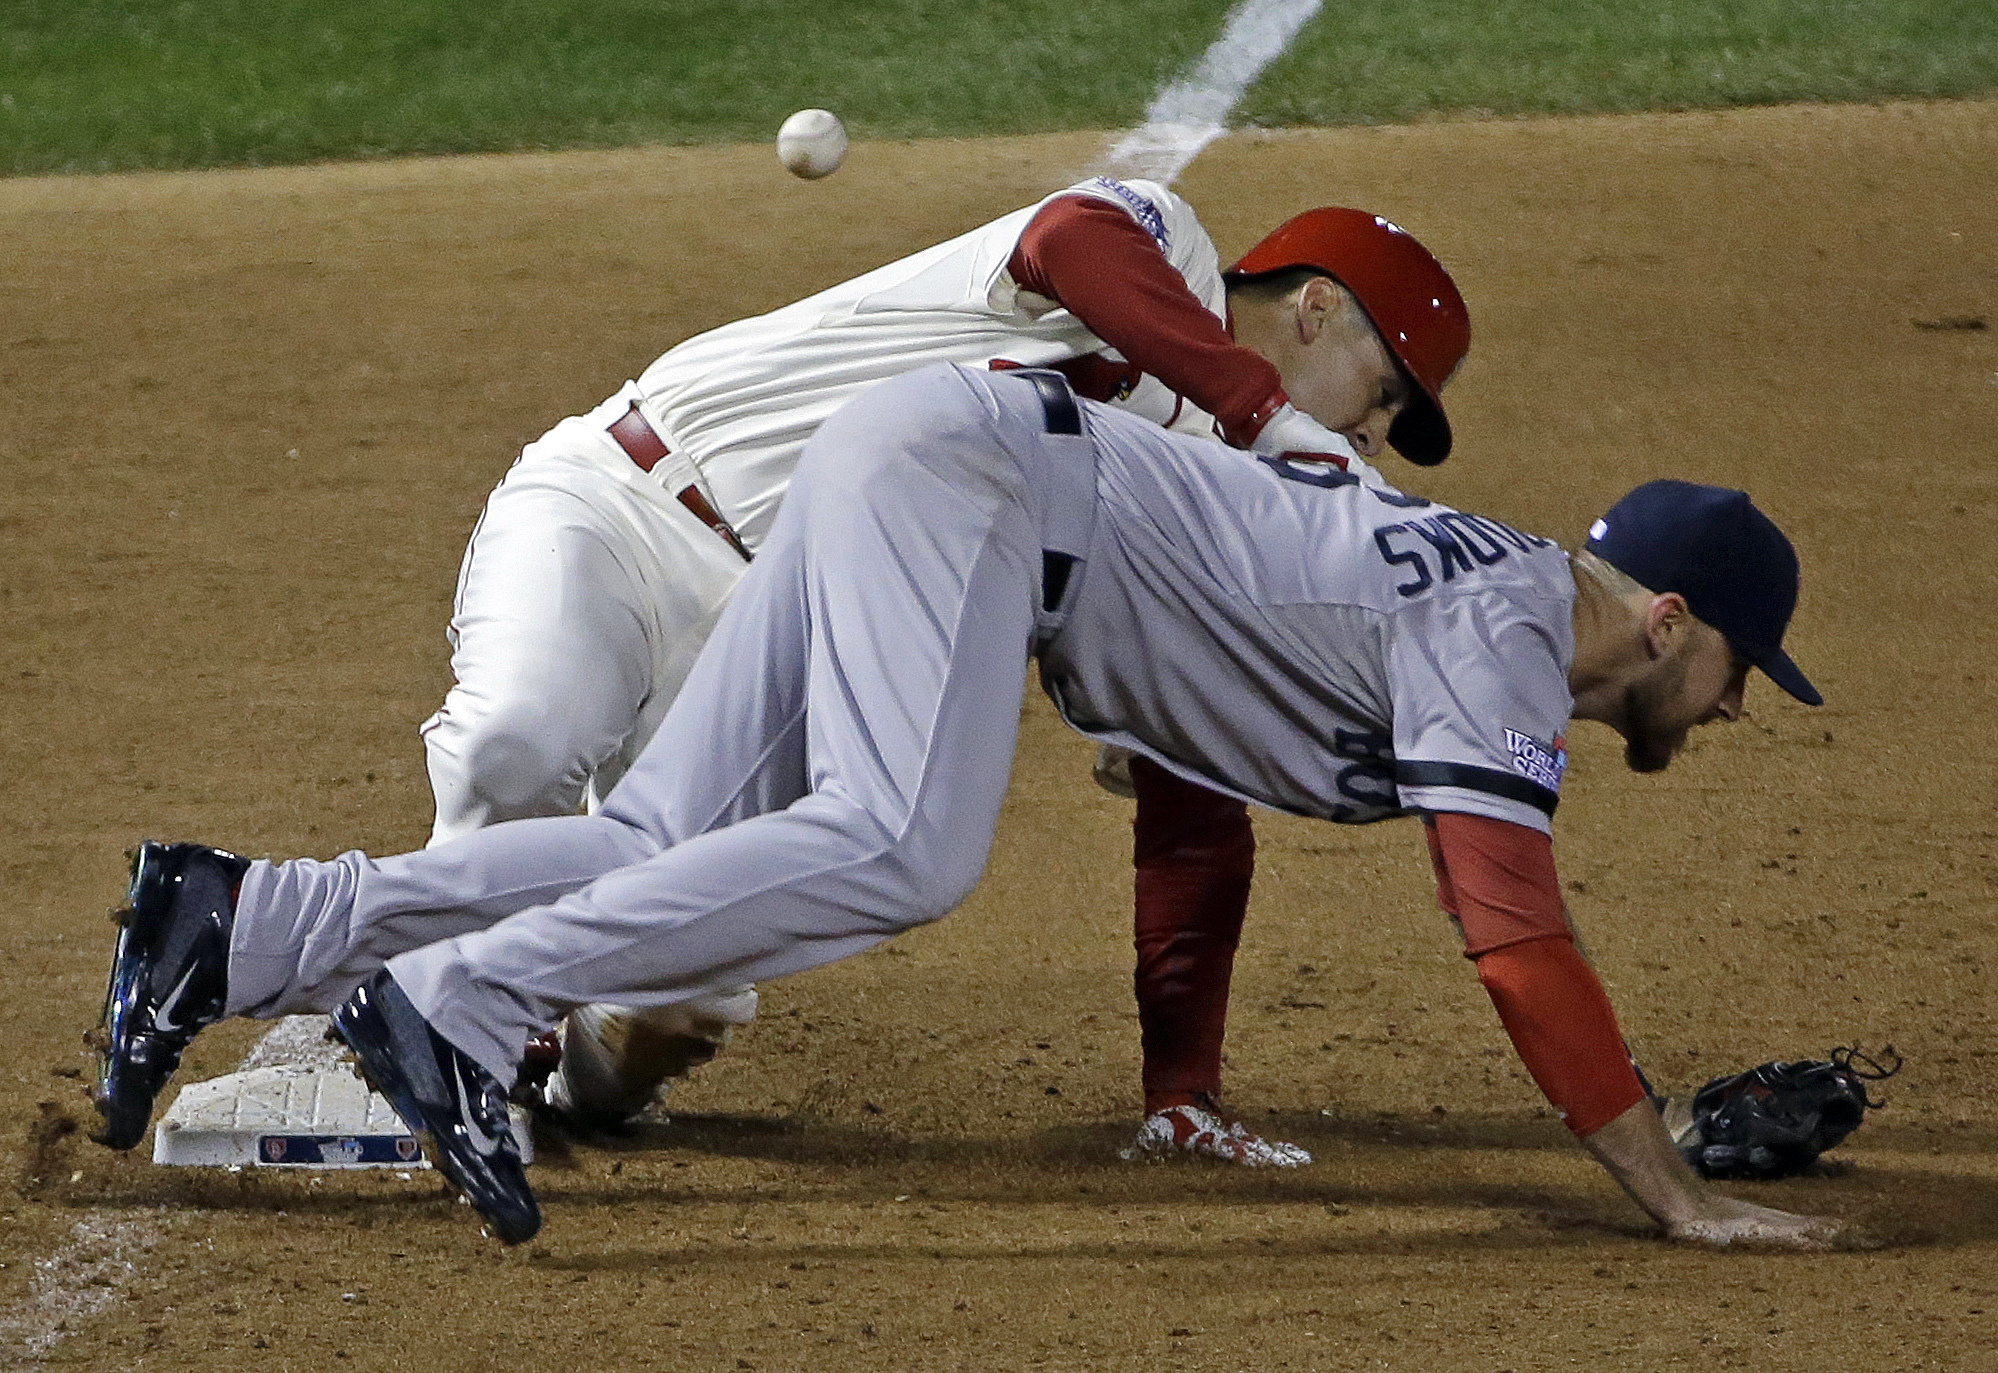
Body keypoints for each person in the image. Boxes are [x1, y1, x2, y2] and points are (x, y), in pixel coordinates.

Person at [92, 364, 1842, 1252]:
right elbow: (1512, 931)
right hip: (978, 481)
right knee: (896, 843)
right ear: (1669, 621)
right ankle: (458, 1007)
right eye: (1739, 667)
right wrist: (1663, 1185)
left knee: (661, 843)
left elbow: (1268, 546)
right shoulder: (1509, 633)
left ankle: (247, 922)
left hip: (945, 462)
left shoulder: (1461, 571)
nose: (1738, 703)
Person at [413, 175, 1471, 1160]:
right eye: (1383, 396)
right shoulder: (1163, 248)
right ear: (1317, 308)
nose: (1372, 434)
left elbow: (1191, 797)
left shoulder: (1195, 505)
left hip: (768, 670)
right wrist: (1266, 414)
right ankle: (415, 1006)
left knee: (679, 1003)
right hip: (626, 505)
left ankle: (545, 1072)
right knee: (523, 739)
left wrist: (1181, 1088)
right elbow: (1068, 239)